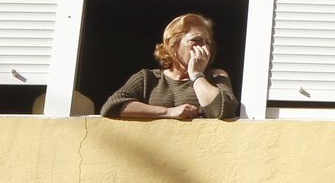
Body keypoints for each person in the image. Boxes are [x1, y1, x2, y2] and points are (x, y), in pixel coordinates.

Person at [102, 14, 239, 120]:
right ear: (173, 46)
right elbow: (113, 106)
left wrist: (196, 74)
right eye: (196, 40)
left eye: (208, 43)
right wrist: (168, 112)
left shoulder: (215, 76)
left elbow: (224, 110)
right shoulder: (148, 78)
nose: (203, 47)